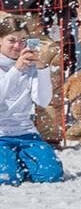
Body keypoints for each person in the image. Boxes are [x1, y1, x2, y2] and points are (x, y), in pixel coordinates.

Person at [0, 28, 61, 186]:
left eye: (22, 41)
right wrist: (16, 70)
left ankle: (19, 159)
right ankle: (13, 161)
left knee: (51, 174)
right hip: (1, 133)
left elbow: (42, 100)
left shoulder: (31, 66)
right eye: (11, 40)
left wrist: (42, 69)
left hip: (26, 132)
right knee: (7, 178)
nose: (17, 46)